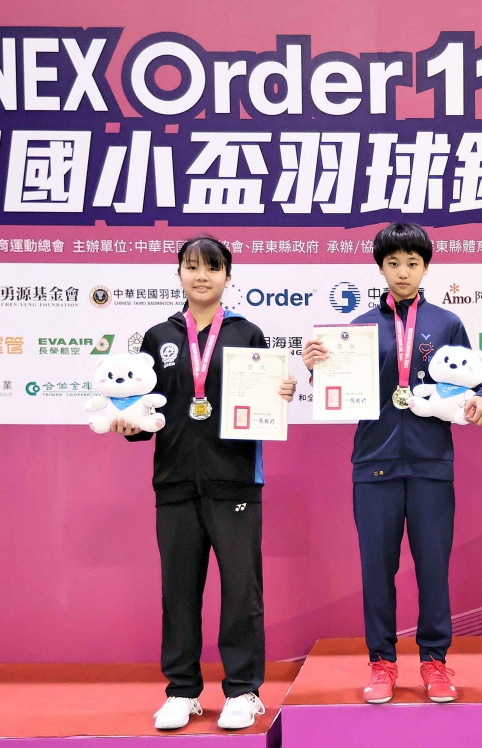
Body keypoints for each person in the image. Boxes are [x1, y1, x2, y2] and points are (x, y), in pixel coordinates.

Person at [302, 223, 482, 705]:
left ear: (425, 267)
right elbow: (337, 388)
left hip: (431, 463)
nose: (403, 272)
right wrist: (317, 366)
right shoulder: (359, 328)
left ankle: (435, 662)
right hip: (374, 464)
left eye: (412, 263)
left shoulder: (447, 323)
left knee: (433, 568)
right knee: (376, 570)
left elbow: (472, 380)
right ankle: (382, 663)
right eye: (393, 263)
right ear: (380, 268)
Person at [112, 237, 296, 730]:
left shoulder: (247, 334)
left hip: (234, 480)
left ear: (228, 277)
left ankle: (243, 691)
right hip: (174, 481)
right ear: (178, 273)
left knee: (241, 591)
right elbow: (145, 410)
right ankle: (181, 691)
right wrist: (129, 424)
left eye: (212, 268)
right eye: (191, 267)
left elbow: (263, 405)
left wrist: (279, 394)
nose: (201, 276)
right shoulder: (157, 337)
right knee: (178, 592)